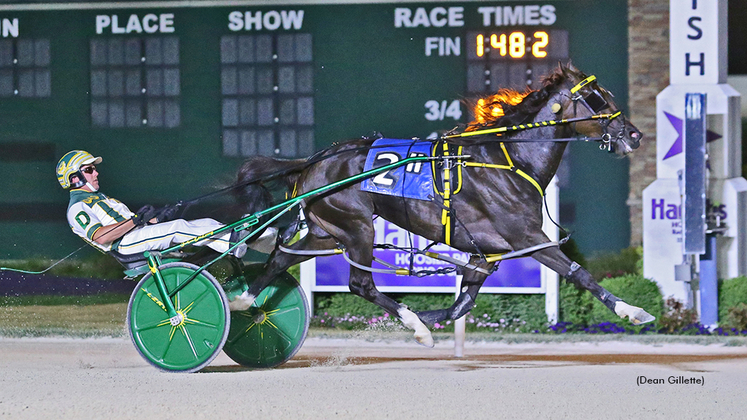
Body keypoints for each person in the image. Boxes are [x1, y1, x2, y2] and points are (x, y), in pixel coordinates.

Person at [56, 150, 275, 259]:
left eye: (93, 168)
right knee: (178, 228)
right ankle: (233, 244)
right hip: (124, 245)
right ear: (74, 178)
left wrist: (156, 219)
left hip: (134, 236)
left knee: (201, 221)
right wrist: (135, 220)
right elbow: (102, 236)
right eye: (89, 169)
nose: (96, 172)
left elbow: (133, 223)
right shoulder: (77, 207)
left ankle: (250, 237)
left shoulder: (100, 198)